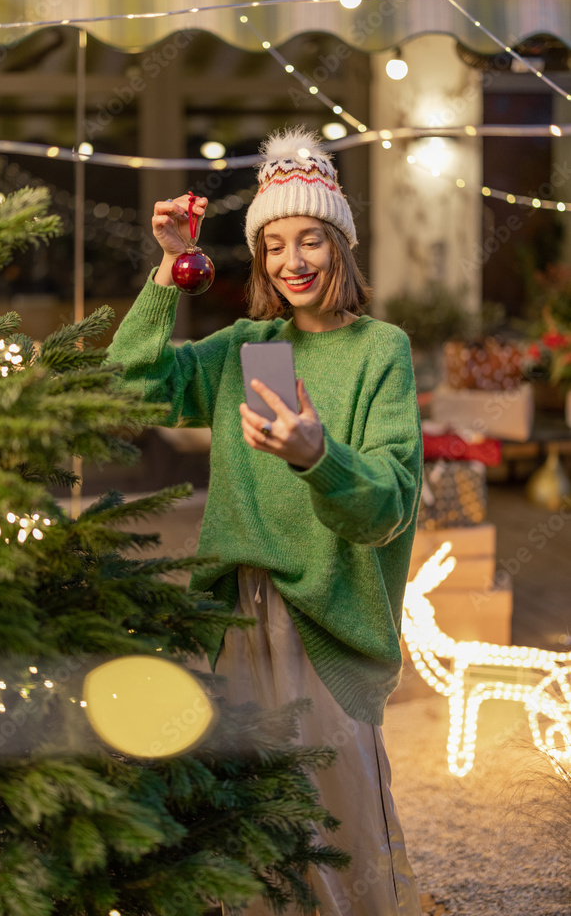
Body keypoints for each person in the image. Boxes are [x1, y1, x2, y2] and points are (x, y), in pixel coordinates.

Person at [108, 126, 423, 916]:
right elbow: (127, 385)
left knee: (335, 797)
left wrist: (321, 456)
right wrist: (167, 270)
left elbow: (387, 504)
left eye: (310, 238)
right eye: (274, 243)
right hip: (233, 607)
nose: (292, 262)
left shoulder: (380, 350)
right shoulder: (244, 348)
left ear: (340, 246)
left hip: (330, 610)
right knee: (243, 805)